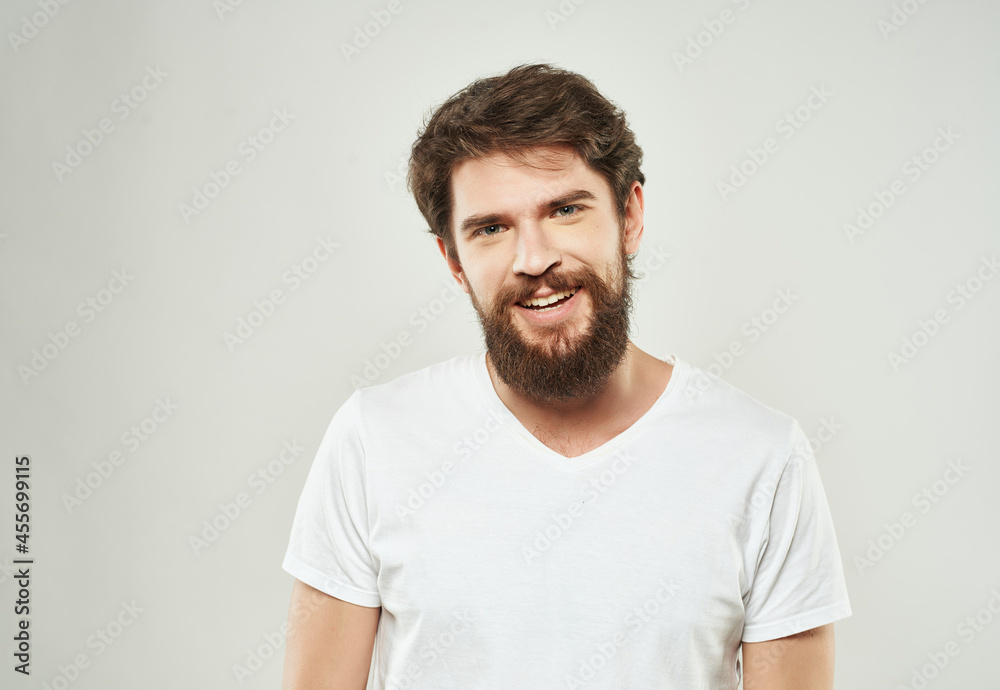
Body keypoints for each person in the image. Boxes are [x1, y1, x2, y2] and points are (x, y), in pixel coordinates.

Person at [280, 63, 852, 689]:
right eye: (491, 228)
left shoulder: (763, 458)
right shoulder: (374, 439)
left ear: (629, 215)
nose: (534, 259)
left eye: (565, 209)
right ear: (454, 260)